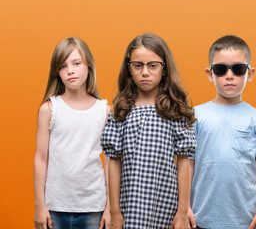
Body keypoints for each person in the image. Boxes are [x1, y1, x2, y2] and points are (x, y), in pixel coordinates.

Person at [101, 33, 196, 229]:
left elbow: (184, 162)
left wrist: (182, 211)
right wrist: (115, 212)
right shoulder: (121, 110)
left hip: (165, 207)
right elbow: (114, 163)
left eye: (152, 65)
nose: (145, 72)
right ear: (129, 69)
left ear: (164, 69)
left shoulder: (174, 109)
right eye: (138, 65)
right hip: (129, 208)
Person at [188, 35, 256, 229]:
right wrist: (184, 207)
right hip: (200, 218)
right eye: (221, 69)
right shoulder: (196, 116)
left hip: (245, 221)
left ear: (250, 73)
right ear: (210, 74)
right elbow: (188, 165)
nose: (229, 75)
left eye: (238, 69)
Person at [33, 37, 111, 229]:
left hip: (94, 206)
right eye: (62, 66)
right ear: (57, 72)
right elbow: (40, 159)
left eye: (76, 63)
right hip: (55, 207)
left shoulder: (105, 111)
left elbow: (110, 163)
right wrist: (40, 205)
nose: (70, 71)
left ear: (89, 66)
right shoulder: (49, 109)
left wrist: (110, 208)